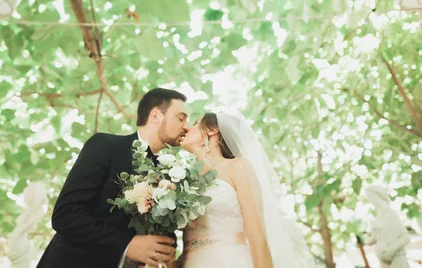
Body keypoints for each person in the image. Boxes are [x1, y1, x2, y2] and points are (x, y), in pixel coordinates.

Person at [37, 88, 190, 268]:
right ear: (155, 116)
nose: (186, 126)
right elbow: (66, 215)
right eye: (181, 118)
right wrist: (127, 244)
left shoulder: (168, 176)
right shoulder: (106, 146)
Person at [178, 109, 316, 267]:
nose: (187, 128)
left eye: (196, 124)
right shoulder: (185, 180)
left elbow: (256, 235)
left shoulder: (237, 167)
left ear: (212, 130)